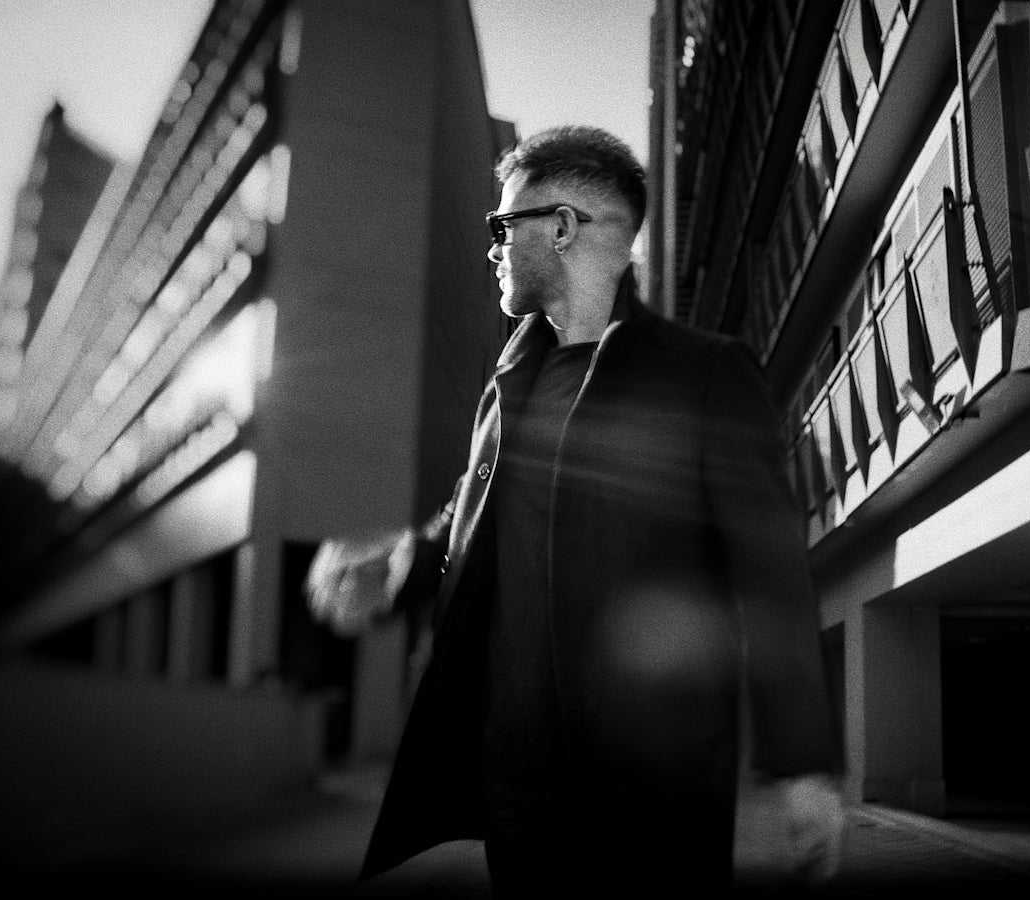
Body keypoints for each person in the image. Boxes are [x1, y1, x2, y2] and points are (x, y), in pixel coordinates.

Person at [306, 124, 844, 897]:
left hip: (650, 808)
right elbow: (469, 519)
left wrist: (804, 765)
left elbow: (770, 576)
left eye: (502, 226)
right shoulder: (509, 383)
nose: (490, 246)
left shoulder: (703, 376)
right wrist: (394, 567)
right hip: (517, 801)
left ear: (560, 227)